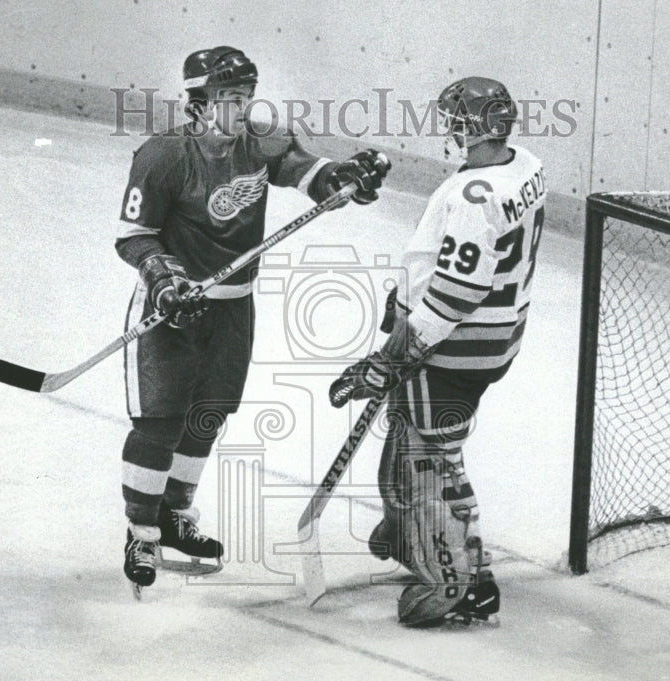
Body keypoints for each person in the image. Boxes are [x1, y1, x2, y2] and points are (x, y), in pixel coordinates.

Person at [115, 46, 389, 596]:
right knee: (160, 422)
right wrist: (165, 278)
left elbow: (308, 172)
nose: (239, 108)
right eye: (227, 98)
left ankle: (173, 516)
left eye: (244, 97)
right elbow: (133, 236)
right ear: (198, 102)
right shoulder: (163, 155)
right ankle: (141, 531)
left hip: (234, 307)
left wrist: (344, 177)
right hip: (173, 308)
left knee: (208, 416)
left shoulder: (259, 142)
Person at [330, 76, 546, 626]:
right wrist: (405, 294)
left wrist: (393, 355)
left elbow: (457, 291)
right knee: (412, 438)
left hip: (456, 346)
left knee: (432, 459)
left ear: (472, 128)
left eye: (454, 120)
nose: (447, 130)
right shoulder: (525, 165)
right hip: (498, 334)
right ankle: (412, 533)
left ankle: (458, 579)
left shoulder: (473, 196)